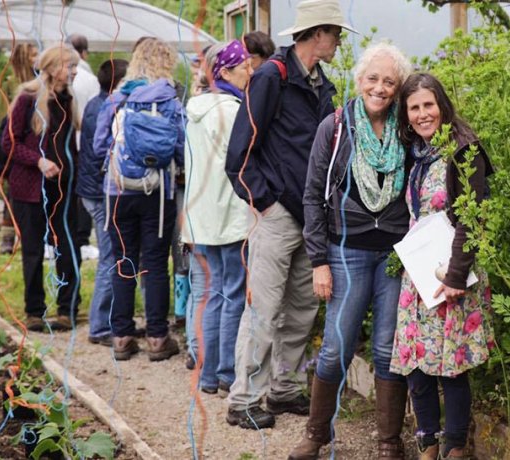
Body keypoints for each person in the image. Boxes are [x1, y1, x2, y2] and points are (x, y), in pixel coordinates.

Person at [225, 0, 357, 430]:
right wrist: (266, 202)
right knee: (263, 309)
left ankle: (283, 389)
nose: (338, 41)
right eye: (335, 33)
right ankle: (243, 399)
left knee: (300, 308)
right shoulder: (271, 78)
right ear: (317, 35)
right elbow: (239, 152)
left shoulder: (323, 87)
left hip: (311, 216)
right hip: (278, 213)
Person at [289, 42, 413, 460]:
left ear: (398, 89)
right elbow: (311, 196)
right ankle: (315, 434)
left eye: (389, 81)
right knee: (337, 346)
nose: (379, 87)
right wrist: (318, 260)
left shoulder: (407, 128)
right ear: (359, 81)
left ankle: (388, 443)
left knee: (386, 349)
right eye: (373, 78)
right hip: (347, 252)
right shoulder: (336, 127)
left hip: (396, 255)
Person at [390, 73, 495, 459]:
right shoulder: (417, 152)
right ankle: (427, 443)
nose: (422, 115)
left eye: (428, 105)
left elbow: (473, 216)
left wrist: (454, 275)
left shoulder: (464, 150)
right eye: (414, 108)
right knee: (417, 363)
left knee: (451, 365)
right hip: (418, 273)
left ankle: (454, 447)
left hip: (451, 272)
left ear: (442, 106)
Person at [93, 37, 184, 361]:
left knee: (123, 261)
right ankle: (158, 338)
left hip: (117, 191)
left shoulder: (118, 97)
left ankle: (121, 337)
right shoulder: (170, 100)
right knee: (156, 265)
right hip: (157, 194)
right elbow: (180, 146)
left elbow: (98, 145)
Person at [182, 40, 253, 395]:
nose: (250, 73)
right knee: (233, 294)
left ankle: (207, 374)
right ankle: (226, 373)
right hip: (230, 216)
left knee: (210, 295)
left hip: (200, 218)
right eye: (245, 67)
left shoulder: (195, 109)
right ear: (224, 72)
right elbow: (238, 164)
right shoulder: (231, 111)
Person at [1, 45, 82, 332]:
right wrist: (38, 161)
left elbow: (70, 144)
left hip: (63, 189)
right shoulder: (28, 98)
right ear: (51, 67)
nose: (74, 71)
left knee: (67, 246)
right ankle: (34, 312)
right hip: (30, 189)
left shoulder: (67, 99)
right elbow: (9, 143)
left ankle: (67, 309)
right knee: (33, 250)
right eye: (69, 66)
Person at [76, 58, 129, 346]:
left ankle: (108, 319)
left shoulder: (99, 103)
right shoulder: (106, 109)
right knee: (110, 256)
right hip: (99, 193)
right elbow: (102, 155)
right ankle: (99, 326)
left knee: (114, 254)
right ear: (118, 83)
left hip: (94, 191)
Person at [0, 43, 38, 255]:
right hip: (12, 136)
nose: (37, 58)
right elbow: (4, 116)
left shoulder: (38, 81)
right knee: (11, 188)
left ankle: (25, 235)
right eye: (33, 55)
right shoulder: (12, 83)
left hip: (28, 138)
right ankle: (7, 237)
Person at [67, 34, 100, 260]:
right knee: (83, 191)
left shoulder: (60, 76)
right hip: (84, 140)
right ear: (85, 53)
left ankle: (60, 238)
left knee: (66, 191)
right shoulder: (89, 78)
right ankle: (81, 238)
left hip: (63, 142)